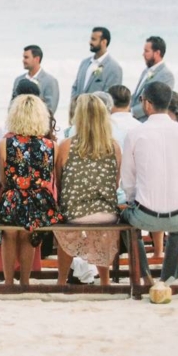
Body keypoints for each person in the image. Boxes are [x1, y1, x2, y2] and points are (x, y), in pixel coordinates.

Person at [120, 80, 178, 285]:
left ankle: (145, 275)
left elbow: (128, 179)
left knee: (125, 222)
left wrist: (132, 200)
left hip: (144, 215)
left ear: (147, 104)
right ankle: (168, 277)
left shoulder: (135, 133)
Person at [0, 93, 62, 288]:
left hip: (12, 199)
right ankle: (24, 281)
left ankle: (8, 282)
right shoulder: (52, 146)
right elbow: (51, 179)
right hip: (40, 202)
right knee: (28, 234)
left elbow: (3, 181)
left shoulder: (4, 144)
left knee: (10, 234)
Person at [54, 93, 122, 286]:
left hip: (75, 214)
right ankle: (105, 281)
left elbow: (59, 182)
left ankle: (61, 281)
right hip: (107, 214)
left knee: (65, 231)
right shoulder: (114, 146)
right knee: (101, 234)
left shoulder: (66, 146)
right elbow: (116, 184)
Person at [69, 27, 123, 111]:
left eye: (94, 39)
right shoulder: (84, 63)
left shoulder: (114, 68)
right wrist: (74, 107)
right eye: (91, 39)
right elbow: (75, 87)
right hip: (78, 114)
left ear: (104, 42)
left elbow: (110, 98)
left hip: (97, 116)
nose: (90, 42)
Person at [130, 36, 174, 121]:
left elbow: (156, 103)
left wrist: (132, 111)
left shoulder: (166, 75)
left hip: (146, 120)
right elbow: (137, 95)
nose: (143, 54)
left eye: (146, 51)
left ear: (157, 53)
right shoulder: (146, 71)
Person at [11, 44, 60, 114]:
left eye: (26, 57)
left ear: (37, 59)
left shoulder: (50, 81)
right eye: (23, 57)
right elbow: (11, 105)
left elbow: (51, 109)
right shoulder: (18, 80)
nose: (23, 60)